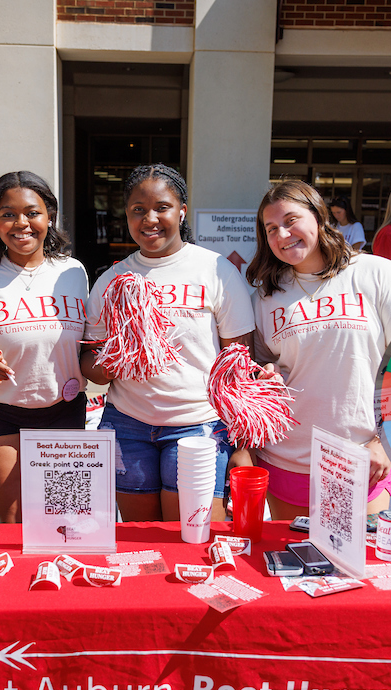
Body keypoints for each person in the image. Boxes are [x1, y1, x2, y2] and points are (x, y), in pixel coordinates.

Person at [81, 164, 255, 522]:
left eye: (162, 207)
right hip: (127, 425)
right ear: (126, 215)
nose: (150, 219)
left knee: (193, 538)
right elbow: (91, 367)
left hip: (199, 425)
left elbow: (239, 366)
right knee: (140, 537)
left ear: (182, 211)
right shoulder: (112, 280)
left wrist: (242, 445)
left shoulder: (217, 270)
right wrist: (122, 354)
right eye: (138, 210)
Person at [247, 180, 391, 522]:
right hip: (285, 460)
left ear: (318, 216)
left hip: (361, 458)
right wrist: (262, 374)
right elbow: (258, 368)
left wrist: (385, 440)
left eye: (290, 221)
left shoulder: (378, 274)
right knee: (290, 568)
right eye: (271, 229)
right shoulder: (264, 297)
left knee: (358, 570)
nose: (282, 235)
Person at [0, 172, 88, 523]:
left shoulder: (74, 272)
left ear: (49, 216)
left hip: (63, 414)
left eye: (32, 212)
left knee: (61, 521)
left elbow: (90, 345)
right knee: (13, 524)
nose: (21, 223)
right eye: (8, 214)